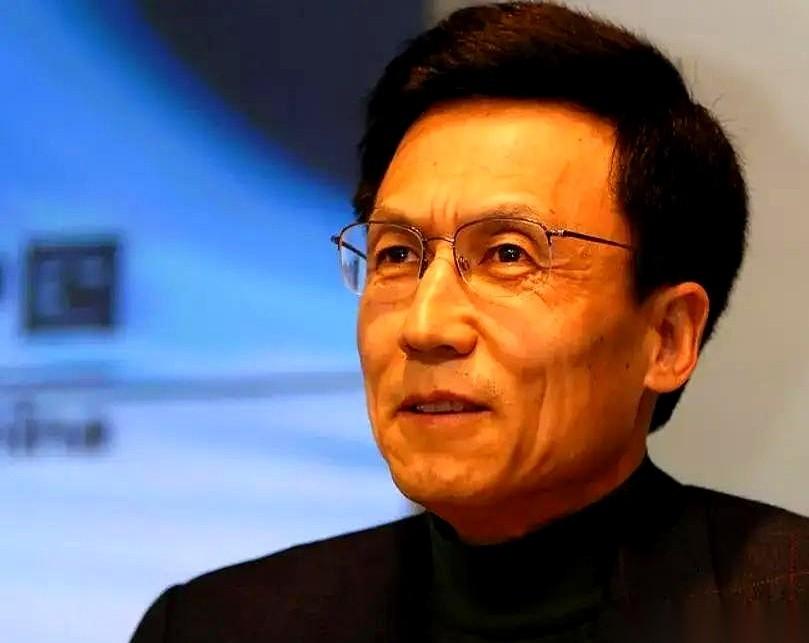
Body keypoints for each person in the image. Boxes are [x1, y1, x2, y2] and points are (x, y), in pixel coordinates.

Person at [130, 3, 809, 642]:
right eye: (397, 255)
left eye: (509, 255)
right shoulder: (216, 626)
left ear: (667, 337)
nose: (425, 326)